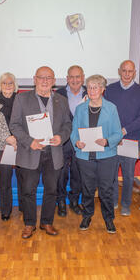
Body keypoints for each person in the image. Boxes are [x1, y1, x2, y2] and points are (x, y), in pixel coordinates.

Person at [9, 66, 72, 239]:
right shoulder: (21, 99)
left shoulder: (61, 100)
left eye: (48, 78)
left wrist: (61, 136)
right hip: (30, 152)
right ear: (34, 79)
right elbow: (14, 125)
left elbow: (68, 124)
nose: (45, 81)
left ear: (53, 81)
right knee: (28, 191)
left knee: (51, 190)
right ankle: (29, 224)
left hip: (54, 152)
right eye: (41, 77)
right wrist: (30, 142)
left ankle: (46, 222)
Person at [70, 74, 123, 233]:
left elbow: (117, 133)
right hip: (85, 156)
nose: (92, 90)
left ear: (102, 89)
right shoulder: (80, 108)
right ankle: (87, 216)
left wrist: (107, 141)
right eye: (90, 87)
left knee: (106, 190)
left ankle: (109, 219)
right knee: (87, 189)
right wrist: (76, 142)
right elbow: (74, 132)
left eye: (95, 87)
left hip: (106, 155)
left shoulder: (111, 108)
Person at [104, 60, 140, 216]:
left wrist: (124, 130)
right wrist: (116, 133)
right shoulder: (110, 90)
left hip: (131, 139)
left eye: (130, 71)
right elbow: (106, 114)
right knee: (112, 174)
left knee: (129, 175)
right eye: (124, 71)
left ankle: (126, 205)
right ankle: (114, 201)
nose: (127, 74)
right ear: (119, 71)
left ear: (134, 72)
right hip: (113, 139)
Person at [0, 72, 23, 221]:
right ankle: (6, 210)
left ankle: (24, 206)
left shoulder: (21, 101)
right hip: (2, 146)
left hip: (21, 145)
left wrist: (18, 139)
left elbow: (26, 123)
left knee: (23, 178)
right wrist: (8, 138)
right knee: (5, 179)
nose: (8, 86)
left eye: (10, 83)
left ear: (14, 86)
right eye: (5, 83)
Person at [55, 65, 87, 216]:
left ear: (83, 78)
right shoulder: (58, 93)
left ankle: (74, 201)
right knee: (61, 173)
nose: (75, 80)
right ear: (67, 79)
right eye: (71, 77)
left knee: (78, 172)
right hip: (63, 140)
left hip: (82, 141)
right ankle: (61, 201)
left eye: (78, 77)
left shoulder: (90, 92)